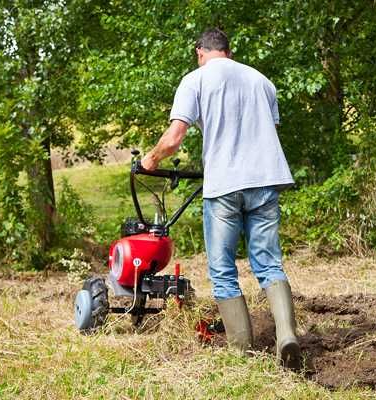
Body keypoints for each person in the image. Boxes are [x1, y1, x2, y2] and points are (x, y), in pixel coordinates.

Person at [141, 28, 300, 369]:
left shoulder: (195, 80)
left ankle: (241, 351)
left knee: (223, 269)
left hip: (225, 186)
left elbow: (174, 137)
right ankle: (287, 335)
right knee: (269, 262)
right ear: (228, 51)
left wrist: (150, 160)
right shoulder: (262, 81)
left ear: (200, 52)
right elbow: (263, 130)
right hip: (266, 182)